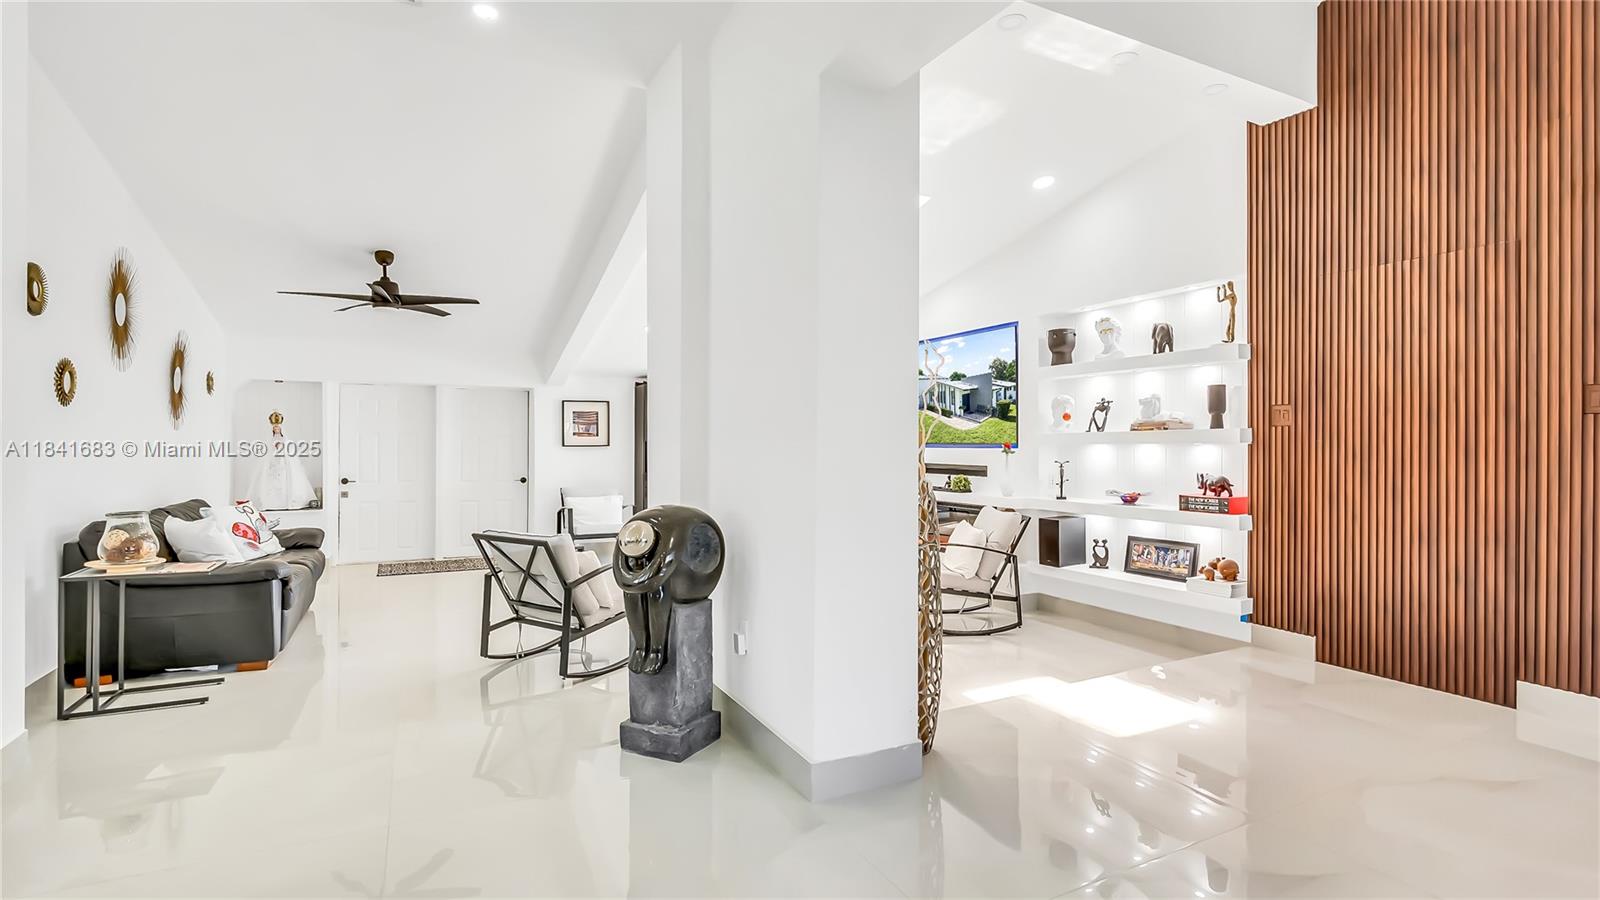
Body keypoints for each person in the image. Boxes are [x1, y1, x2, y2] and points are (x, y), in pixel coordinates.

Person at [248, 411, 317, 510]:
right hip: (272, 463)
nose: (276, 429)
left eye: (277, 427)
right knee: (270, 481)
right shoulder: (269, 440)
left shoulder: (286, 439)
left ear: (281, 428)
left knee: (286, 478)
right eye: (274, 427)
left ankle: (287, 500)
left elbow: (290, 450)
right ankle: (269, 502)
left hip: (284, 463)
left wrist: (282, 449)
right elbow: (267, 451)